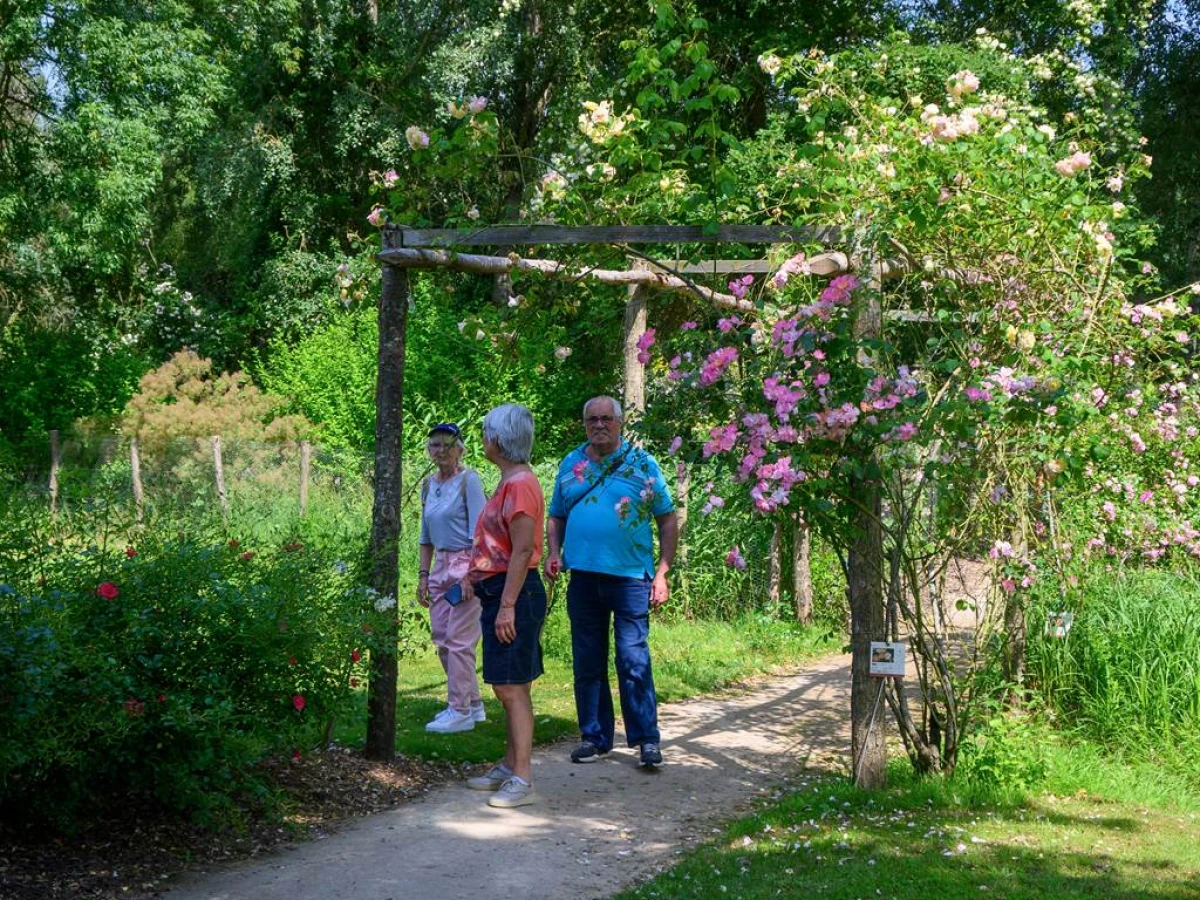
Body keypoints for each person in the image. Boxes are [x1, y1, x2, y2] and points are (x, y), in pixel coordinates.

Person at [544, 396, 678, 768]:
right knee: (588, 660)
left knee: (633, 659)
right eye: (592, 419)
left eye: (606, 419)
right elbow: (556, 516)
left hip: (631, 577)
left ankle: (646, 740)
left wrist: (663, 571)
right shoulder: (572, 464)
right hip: (583, 577)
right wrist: (553, 552)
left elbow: (667, 518)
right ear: (584, 423)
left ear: (619, 423)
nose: (599, 425)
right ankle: (594, 736)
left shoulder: (641, 464)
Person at [461, 404, 547, 808]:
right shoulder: (508, 481)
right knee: (510, 685)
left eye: (484, 433)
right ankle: (511, 763)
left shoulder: (520, 485)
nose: (482, 440)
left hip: (514, 594)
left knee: (510, 687)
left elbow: (524, 549)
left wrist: (508, 605)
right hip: (500, 592)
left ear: (498, 439)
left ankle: (523, 778)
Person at [417, 423, 489, 733]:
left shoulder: (469, 481)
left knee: (460, 641)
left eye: (448, 444)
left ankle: (457, 710)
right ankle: (472, 704)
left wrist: (472, 575)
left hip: (465, 565)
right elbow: (425, 535)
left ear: (460, 448)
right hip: (439, 568)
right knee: (443, 641)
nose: (441, 451)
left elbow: (481, 533)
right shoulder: (429, 485)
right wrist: (422, 575)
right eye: (435, 445)